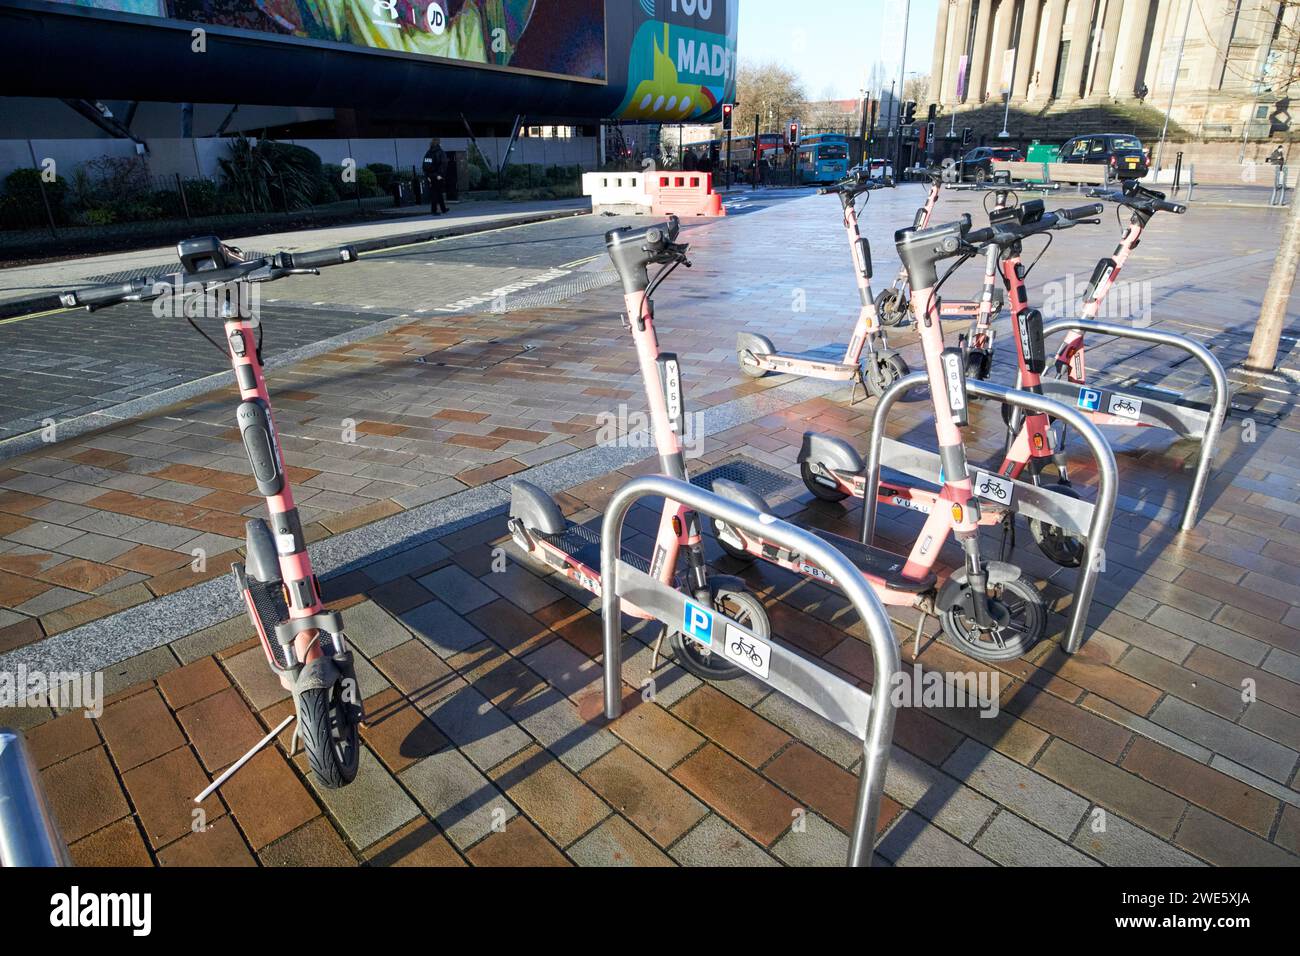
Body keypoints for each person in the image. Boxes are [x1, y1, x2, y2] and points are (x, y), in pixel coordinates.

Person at [423, 138, 449, 215]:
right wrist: (440, 175)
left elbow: (425, 165)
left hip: (430, 175)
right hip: (437, 176)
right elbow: (444, 164)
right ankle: (434, 210)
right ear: (439, 143)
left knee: (436, 192)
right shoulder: (440, 152)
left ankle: (443, 209)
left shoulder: (428, 153)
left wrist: (427, 175)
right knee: (436, 193)